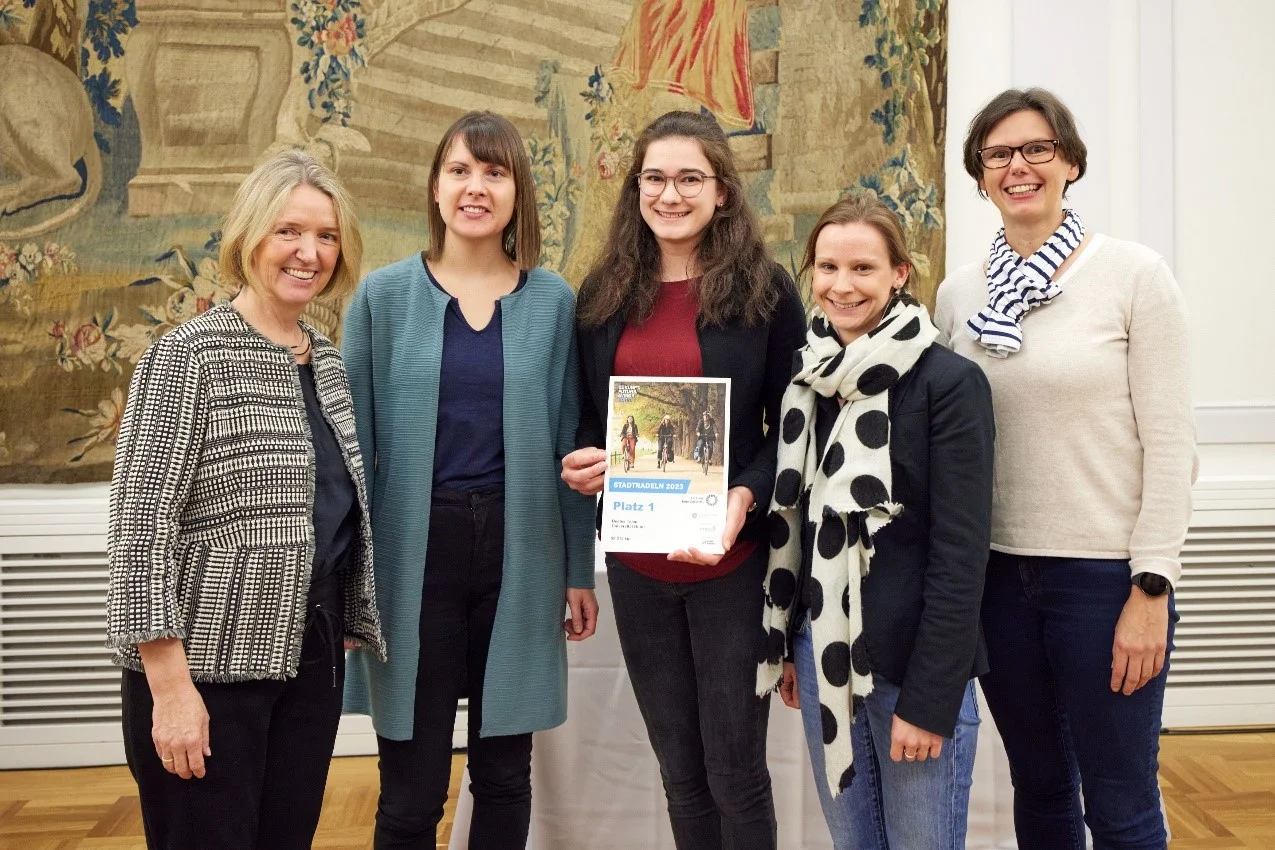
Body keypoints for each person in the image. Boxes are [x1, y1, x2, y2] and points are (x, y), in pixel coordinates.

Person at [934, 87, 1196, 849]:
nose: (1018, 166)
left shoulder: (1133, 275)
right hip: (996, 578)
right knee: (1041, 788)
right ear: (979, 175)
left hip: (1104, 580)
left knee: (1119, 799)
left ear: (1070, 163)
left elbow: (1172, 442)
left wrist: (1151, 585)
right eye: (998, 155)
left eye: (1036, 149)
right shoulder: (959, 295)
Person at [106, 149, 385, 849]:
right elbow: (141, 529)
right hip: (204, 671)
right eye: (289, 231)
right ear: (250, 236)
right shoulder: (189, 356)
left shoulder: (324, 358)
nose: (308, 252)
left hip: (310, 656)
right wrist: (169, 688)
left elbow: (327, 500)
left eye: (325, 236)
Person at [341, 111, 598, 849]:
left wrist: (577, 569)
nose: (475, 187)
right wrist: (349, 582)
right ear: (434, 186)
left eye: (494, 172)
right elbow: (351, 461)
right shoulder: (383, 299)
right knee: (411, 790)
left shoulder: (553, 302)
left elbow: (570, 448)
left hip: (521, 558)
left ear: (519, 192)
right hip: (412, 560)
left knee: (505, 777)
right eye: (459, 170)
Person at [561, 110, 806, 849]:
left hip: (731, 563)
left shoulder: (766, 290)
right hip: (638, 566)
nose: (670, 194)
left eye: (689, 179)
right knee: (680, 771)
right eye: (655, 178)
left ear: (722, 192)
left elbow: (792, 431)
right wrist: (586, 461)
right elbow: (585, 426)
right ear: (636, 187)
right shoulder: (603, 293)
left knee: (736, 771)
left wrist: (744, 496)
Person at [758, 194, 995, 849]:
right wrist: (787, 646)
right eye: (827, 267)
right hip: (822, 655)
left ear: (898, 274)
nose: (841, 285)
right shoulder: (806, 382)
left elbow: (960, 553)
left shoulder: (947, 383)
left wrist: (930, 701)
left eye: (862, 268)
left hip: (911, 668)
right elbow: (798, 527)